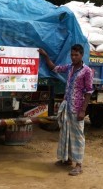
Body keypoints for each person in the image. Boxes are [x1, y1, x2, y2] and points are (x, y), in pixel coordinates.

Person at [38, 44, 94, 176]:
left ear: (82, 55)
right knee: (66, 133)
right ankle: (67, 160)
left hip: (77, 108)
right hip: (67, 106)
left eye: (76, 55)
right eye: (72, 55)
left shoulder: (87, 71)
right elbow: (54, 68)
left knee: (78, 136)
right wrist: (45, 55)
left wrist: (83, 111)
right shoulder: (69, 68)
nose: (73, 57)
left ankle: (79, 164)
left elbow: (89, 92)